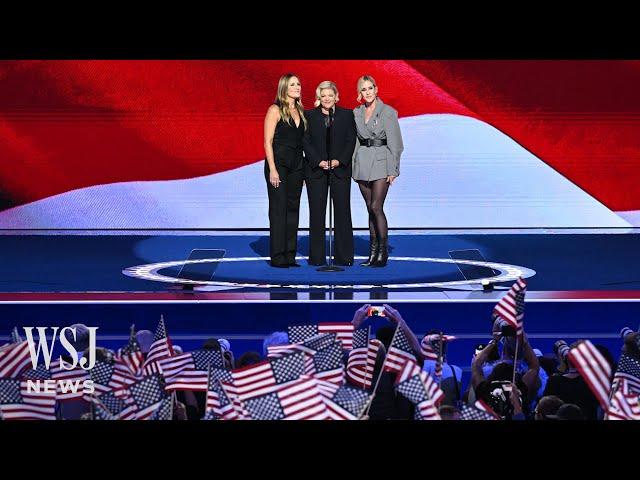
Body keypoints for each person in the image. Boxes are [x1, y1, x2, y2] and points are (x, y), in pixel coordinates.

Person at [303, 81, 356, 266]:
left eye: (330, 95)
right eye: (323, 96)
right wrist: (318, 161)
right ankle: (317, 257)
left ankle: (344, 257)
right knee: (317, 214)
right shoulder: (308, 115)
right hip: (316, 171)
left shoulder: (347, 115)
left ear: (336, 97)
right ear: (319, 98)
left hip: (339, 170)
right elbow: (306, 141)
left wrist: (339, 161)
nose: (327, 99)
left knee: (342, 212)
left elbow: (351, 140)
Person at [352, 75, 403, 267]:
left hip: (382, 162)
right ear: (360, 93)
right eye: (363, 89)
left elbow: (396, 144)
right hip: (362, 162)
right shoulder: (356, 113)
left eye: (370, 88)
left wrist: (394, 169)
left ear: (376, 89)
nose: (367, 93)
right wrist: (354, 163)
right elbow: (356, 140)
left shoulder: (388, 112)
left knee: (376, 207)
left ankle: (383, 252)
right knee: (369, 209)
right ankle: (372, 253)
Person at [263, 73, 307, 268]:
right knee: (278, 210)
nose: (297, 87)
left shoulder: (300, 109)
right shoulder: (275, 110)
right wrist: (272, 169)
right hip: (278, 165)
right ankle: (278, 255)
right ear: (284, 88)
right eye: (292, 84)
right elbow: (268, 141)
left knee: (293, 209)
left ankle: (290, 254)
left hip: (297, 166)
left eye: (298, 84)